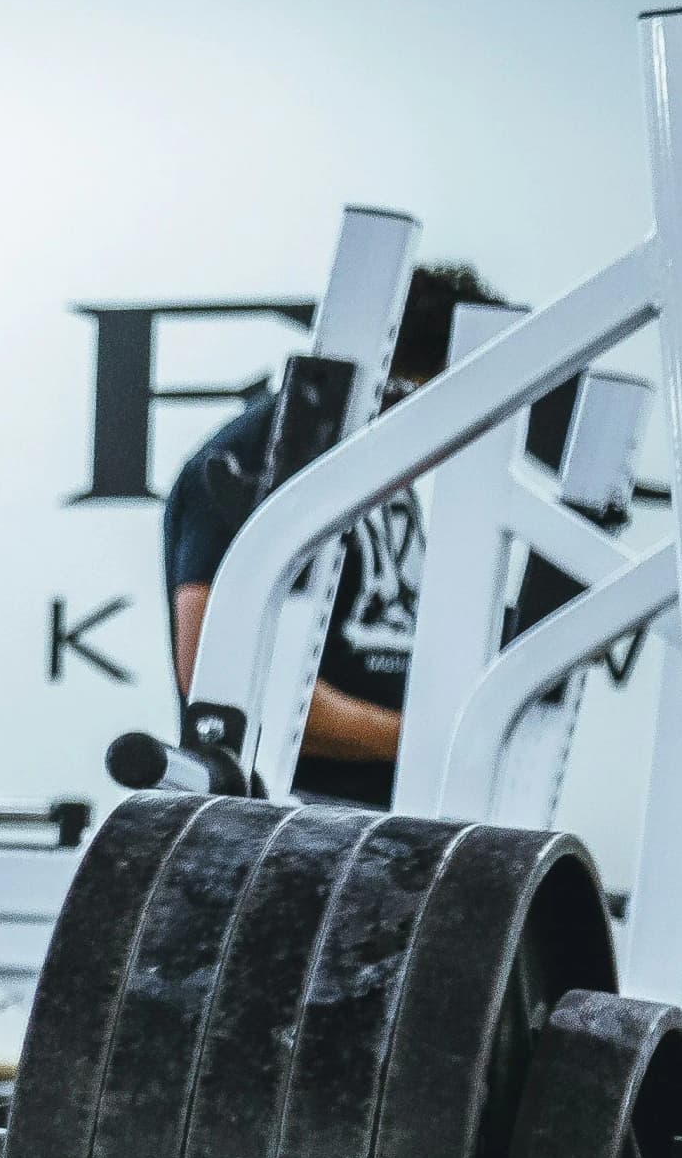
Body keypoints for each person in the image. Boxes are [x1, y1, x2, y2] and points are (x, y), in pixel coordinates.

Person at [162, 260, 492, 806]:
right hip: (296, 818)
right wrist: (429, 741)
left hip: (401, 808)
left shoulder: (386, 472)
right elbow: (222, 689)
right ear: (413, 381)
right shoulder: (250, 464)